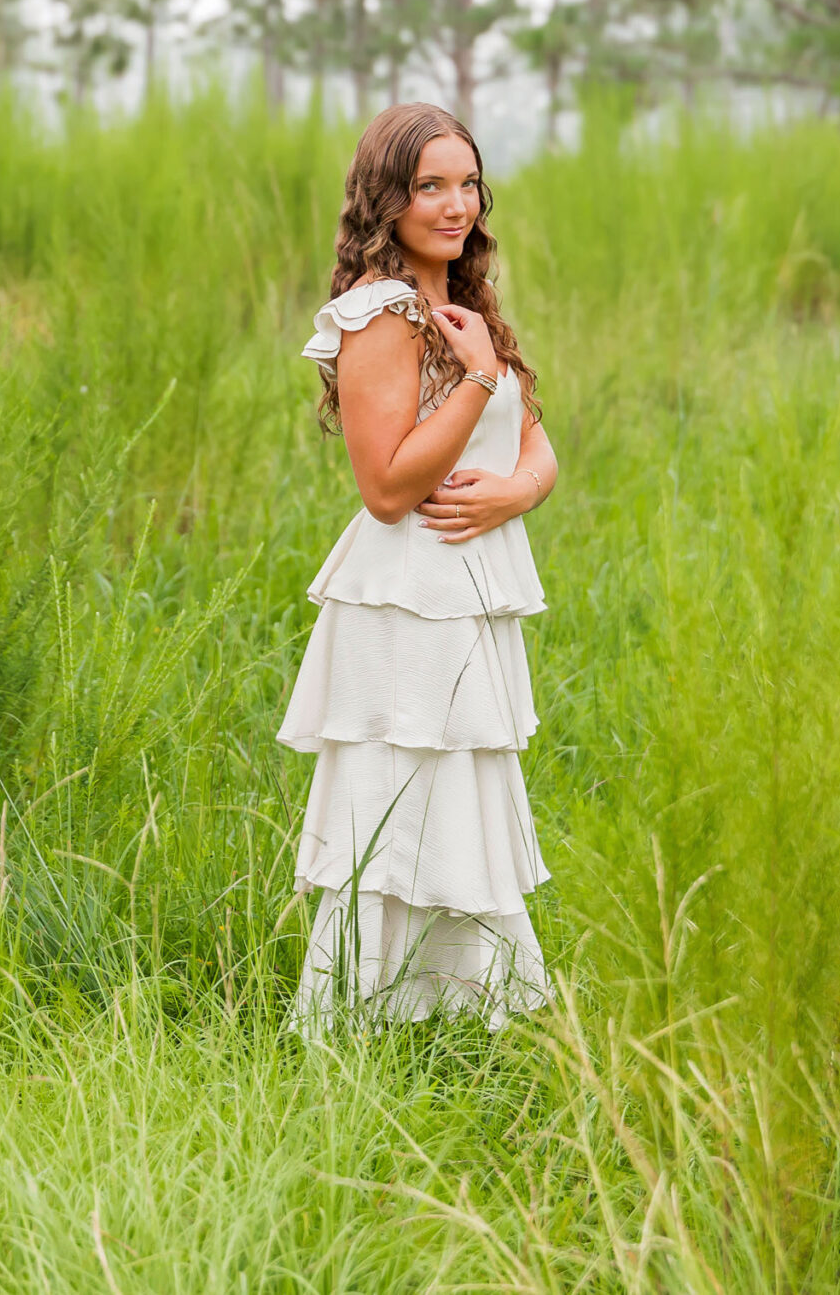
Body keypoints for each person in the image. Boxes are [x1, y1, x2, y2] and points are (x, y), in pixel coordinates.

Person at [282, 101, 560, 1033]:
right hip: (405, 602)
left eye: (467, 182)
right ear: (385, 197)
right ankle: (362, 1016)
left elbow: (539, 446)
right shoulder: (380, 316)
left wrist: (516, 492)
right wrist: (478, 378)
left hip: (465, 594)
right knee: (395, 798)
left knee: (464, 797)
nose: (455, 203)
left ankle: (464, 1015)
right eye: (428, 185)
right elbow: (388, 487)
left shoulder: (468, 305)